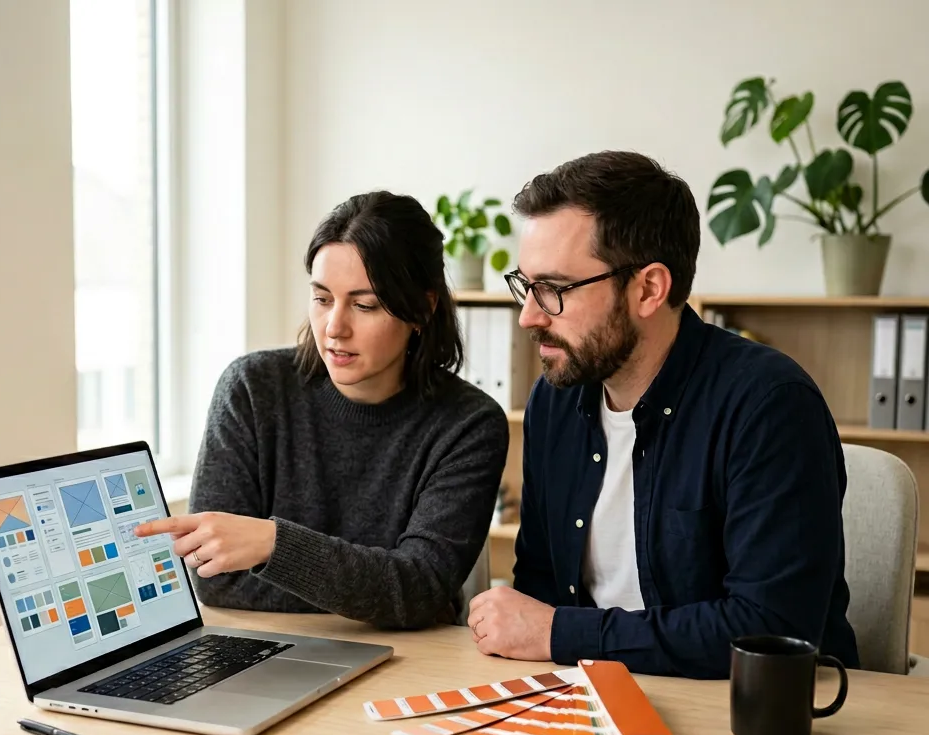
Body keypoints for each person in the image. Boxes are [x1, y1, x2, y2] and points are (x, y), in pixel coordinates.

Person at [466, 150, 859, 678]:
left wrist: (560, 633)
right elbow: (541, 587)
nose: (529, 316)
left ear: (649, 289)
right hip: (588, 692)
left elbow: (770, 629)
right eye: (525, 286)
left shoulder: (769, 404)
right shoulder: (555, 400)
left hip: (753, 707)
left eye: (554, 289)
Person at [135, 190, 509, 628]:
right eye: (322, 298)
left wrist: (273, 546)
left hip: (413, 658)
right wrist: (380, 592)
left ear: (422, 310)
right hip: (273, 648)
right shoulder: (252, 390)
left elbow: (420, 589)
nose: (334, 328)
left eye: (364, 305)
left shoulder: (469, 424)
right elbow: (213, 577)